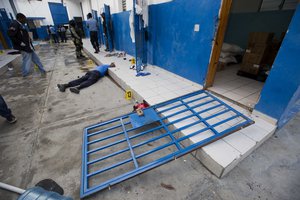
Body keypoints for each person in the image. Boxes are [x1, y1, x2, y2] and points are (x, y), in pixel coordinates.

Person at [7, 13, 46, 77]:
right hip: (24, 47)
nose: (25, 20)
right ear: (20, 18)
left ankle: (42, 70)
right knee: (27, 60)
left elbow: (23, 35)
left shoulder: (21, 25)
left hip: (28, 46)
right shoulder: (15, 24)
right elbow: (10, 35)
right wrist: (20, 43)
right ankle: (25, 73)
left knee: (36, 59)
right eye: (24, 19)